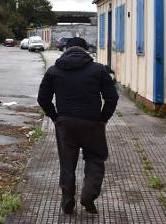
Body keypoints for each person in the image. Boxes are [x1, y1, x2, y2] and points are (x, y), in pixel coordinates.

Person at [37, 36, 118, 215]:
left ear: (66, 49)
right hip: (92, 124)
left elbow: (43, 98)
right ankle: (88, 196)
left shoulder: (54, 71)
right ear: (86, 50)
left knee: (67, 164)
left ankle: (67, 200)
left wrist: (55, 118)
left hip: (65, 124)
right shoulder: (98, 70)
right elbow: (112, 97)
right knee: (95, 159)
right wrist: (103, 119)